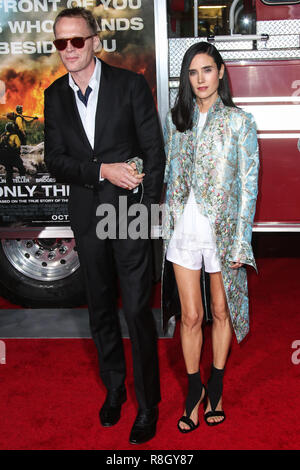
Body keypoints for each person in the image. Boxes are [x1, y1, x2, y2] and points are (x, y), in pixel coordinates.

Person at [44, 7, 165, 445]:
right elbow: (56, 161)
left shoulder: (130, 85)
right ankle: (114, 389)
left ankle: (148, 404)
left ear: (96, 41)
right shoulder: (54, 95)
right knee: (100, 310)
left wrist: (149, 217)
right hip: (88, 215)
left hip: (130, 215)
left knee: (136, 310)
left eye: (77, 40)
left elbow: (154, 152)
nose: (69, 50)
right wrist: (102, 171)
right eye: (61, 43)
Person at [162, 42, 259, 432]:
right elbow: (168, 171)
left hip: (222, 231)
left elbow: (248, 187)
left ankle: (215, 383)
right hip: (183, 227)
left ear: (220, 72)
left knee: (221, 311)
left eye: (206, 70)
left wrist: (241, 240)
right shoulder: (177, 120)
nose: (199, 79)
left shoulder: (240, 121)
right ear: (186, 79)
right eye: (192, 72)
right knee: (190, 316)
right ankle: (193, 389)